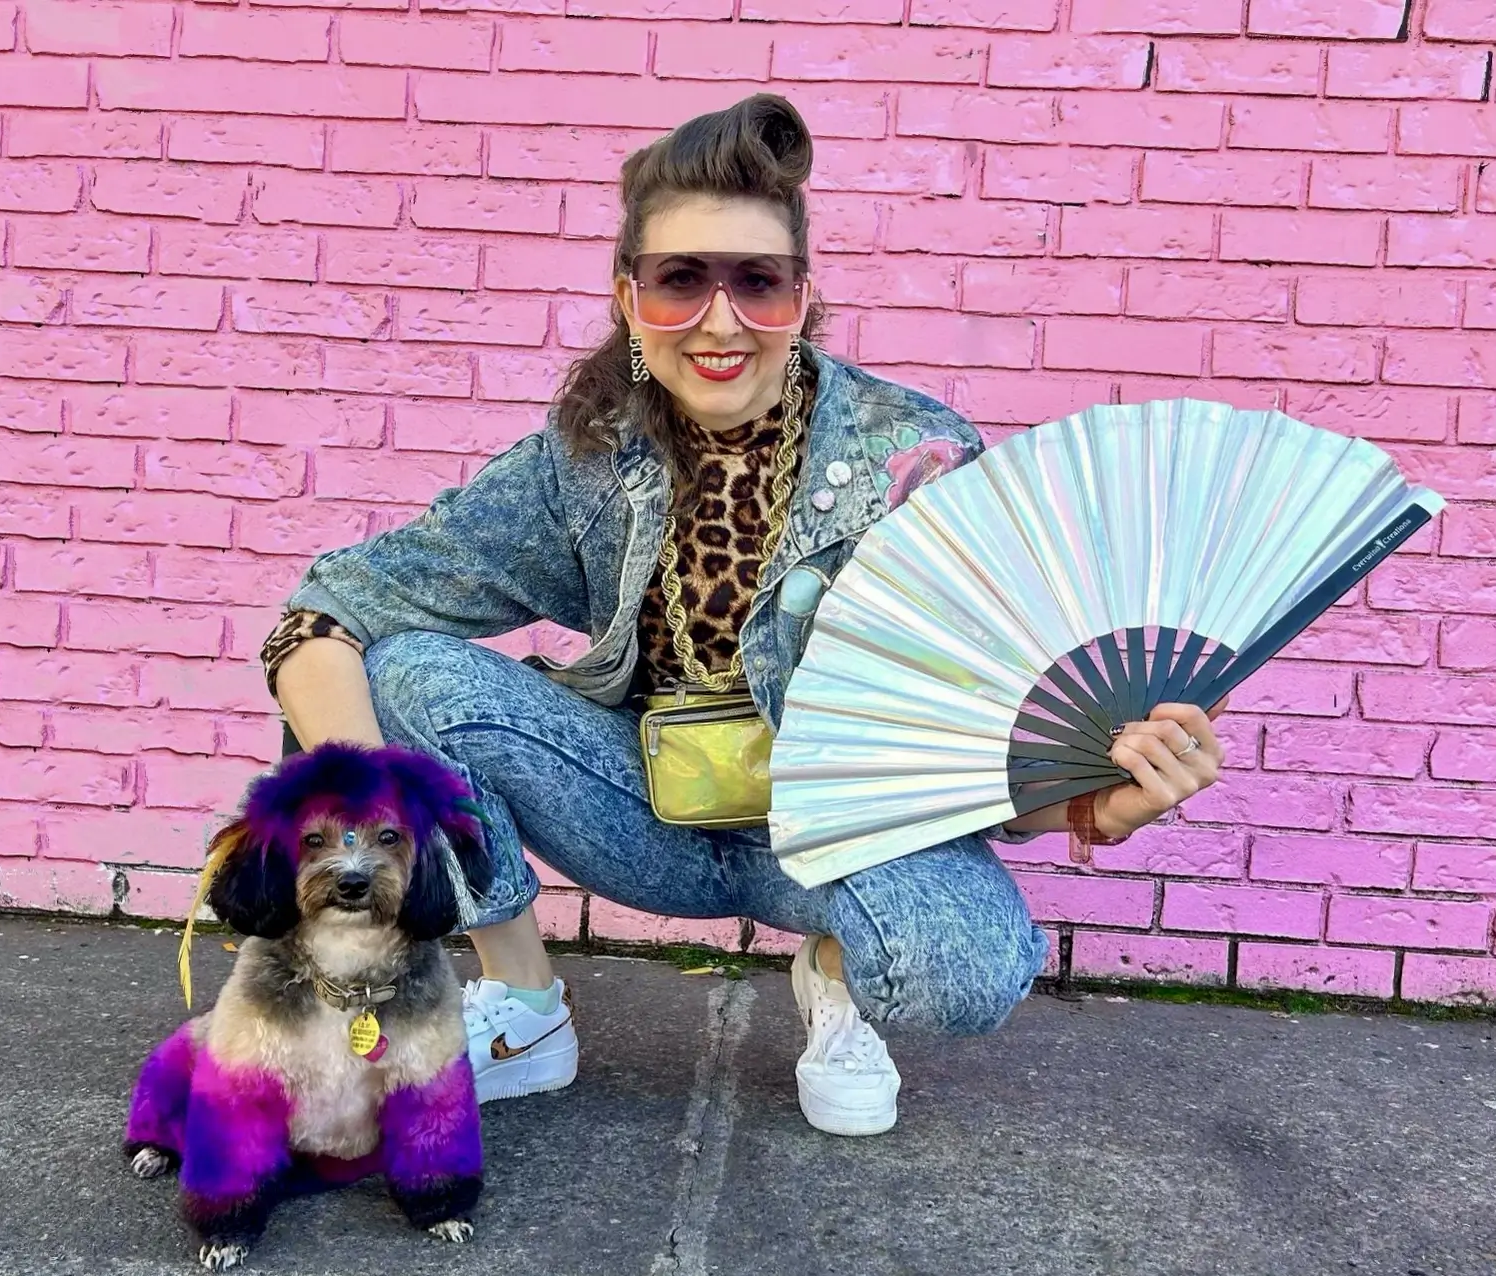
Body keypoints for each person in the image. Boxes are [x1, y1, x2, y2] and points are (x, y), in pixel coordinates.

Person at [261, 94, 1229, 1137]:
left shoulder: (915, 460)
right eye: (681, 281)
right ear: (629, 300)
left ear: (800, 300)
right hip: (638, 804)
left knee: (967, 965)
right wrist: (363, 816)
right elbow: (330, 608)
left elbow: (983, 743)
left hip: (832, 832)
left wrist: (1094, 809)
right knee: (407, 671)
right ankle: (526, 1008)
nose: (718, 322)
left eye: (755, 284)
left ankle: (832, 968)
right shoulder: (588, 457)